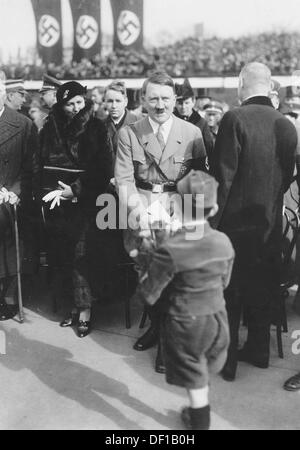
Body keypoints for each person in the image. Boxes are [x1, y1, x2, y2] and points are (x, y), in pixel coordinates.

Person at [115, 71, 207, 373]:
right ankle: (155, 326)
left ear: (175, 100)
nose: (159, 105)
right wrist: (138, 211)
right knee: (148, 277)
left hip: (177, 209)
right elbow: (125, 180)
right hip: (142, 207)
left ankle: (169, 341)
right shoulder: (129, 133)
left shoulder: (192, 132)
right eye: (153, 98)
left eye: (165, 98)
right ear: (142, 99)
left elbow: (198, 180)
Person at [211, 62, 297, 381]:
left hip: (234, 227)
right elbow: (288, 176)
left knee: (230, 293)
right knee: (262, 289)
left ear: (241, 83)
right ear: (269, 85)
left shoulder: (234, 118)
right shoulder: (286, 124)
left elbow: (224, 178)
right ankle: (260, 351)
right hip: (270, 224)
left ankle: (229, 361)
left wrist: (211, 225)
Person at [131, 170, 234, 430]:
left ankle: (199, 422)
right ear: (215, 208)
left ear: (177, 205)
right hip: (217, 320)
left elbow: (149, 293)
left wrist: (144, 255)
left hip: (186, 323)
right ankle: (197, 410)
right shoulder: (224, 242)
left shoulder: (172, 247)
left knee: (195, 381)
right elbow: (224, 282)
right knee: (201, 371)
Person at [39, 81, 111, 337]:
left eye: (80, 102)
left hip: (86, 203)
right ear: (61, 105)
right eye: (70, 103)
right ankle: (70, 305)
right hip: (57, 202)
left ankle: (85, 310)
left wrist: (77, 189)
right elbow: (40, 161)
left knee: (82, 255)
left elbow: (104, 168)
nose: (76, 108)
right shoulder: (50, 127)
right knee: (62, 254)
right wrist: (50, 190)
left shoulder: (96, 126)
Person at [0, 81, 38, 320]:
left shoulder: (23, 125)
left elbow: (31, 166)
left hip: (11, 196)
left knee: (9, 250)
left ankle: (8, 297)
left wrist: (16, 190)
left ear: (3, 93)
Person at [174, 79, 214, 165]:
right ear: (175, 103)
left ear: (193, 102)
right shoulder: (170, 121)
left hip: (195, 168)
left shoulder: (201, 123)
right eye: (180, 103)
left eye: (187, 103)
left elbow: (209, 150)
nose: (183, 107)